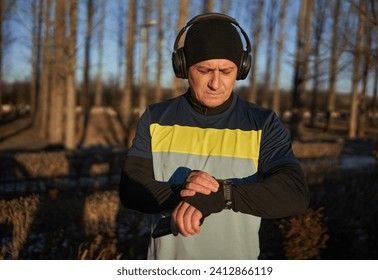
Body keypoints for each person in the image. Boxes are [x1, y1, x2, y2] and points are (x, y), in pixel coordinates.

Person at [119, 12, 310, 260]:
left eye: (226, 71)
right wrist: (184, 192)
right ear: (183, 67)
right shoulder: (156, 118)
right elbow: (131, 188)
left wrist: (223, 195)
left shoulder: (262, 123)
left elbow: (295, 193)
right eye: (205, 70)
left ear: (241, 69)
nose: (216, 83)